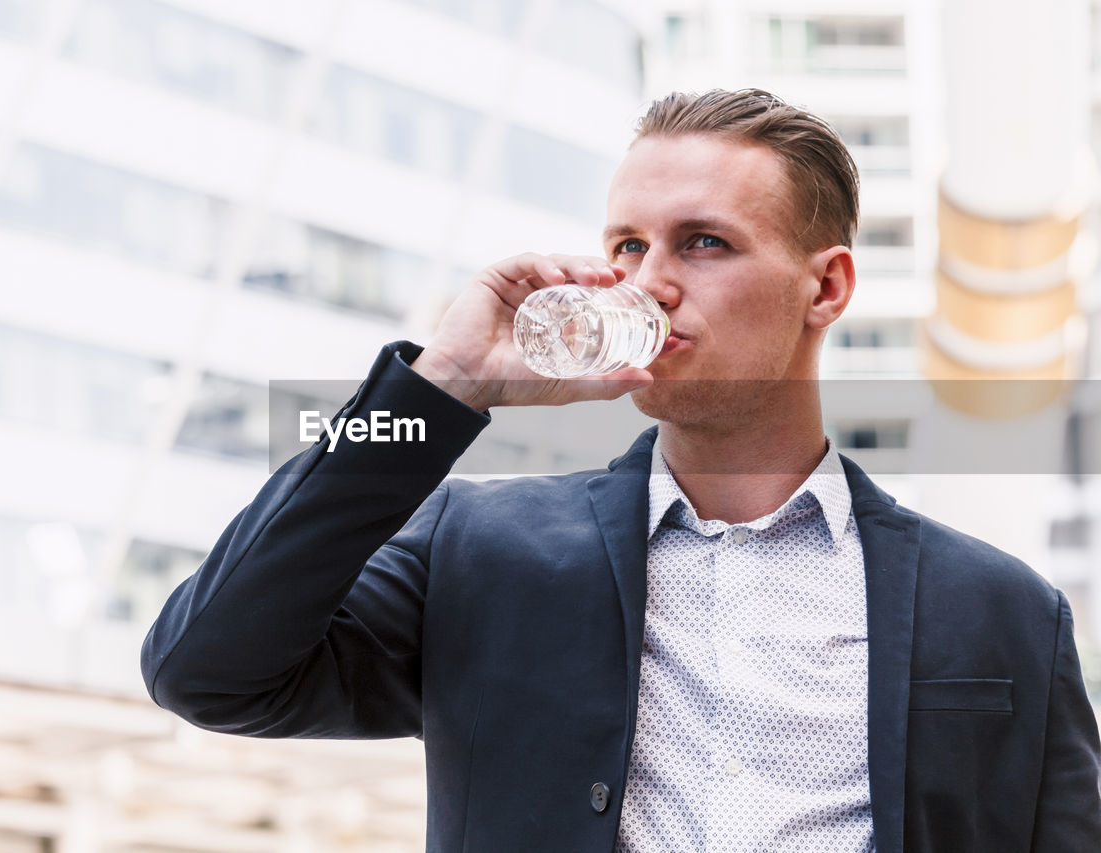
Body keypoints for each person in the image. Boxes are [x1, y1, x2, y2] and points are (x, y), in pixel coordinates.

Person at [141, 89, 1101, 851]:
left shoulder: (1005, 609)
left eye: (705, 243)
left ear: (828, 285)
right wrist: (441, 390)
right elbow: (208, 669)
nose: (649, 283)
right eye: (628, 247)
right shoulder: (478, 551)